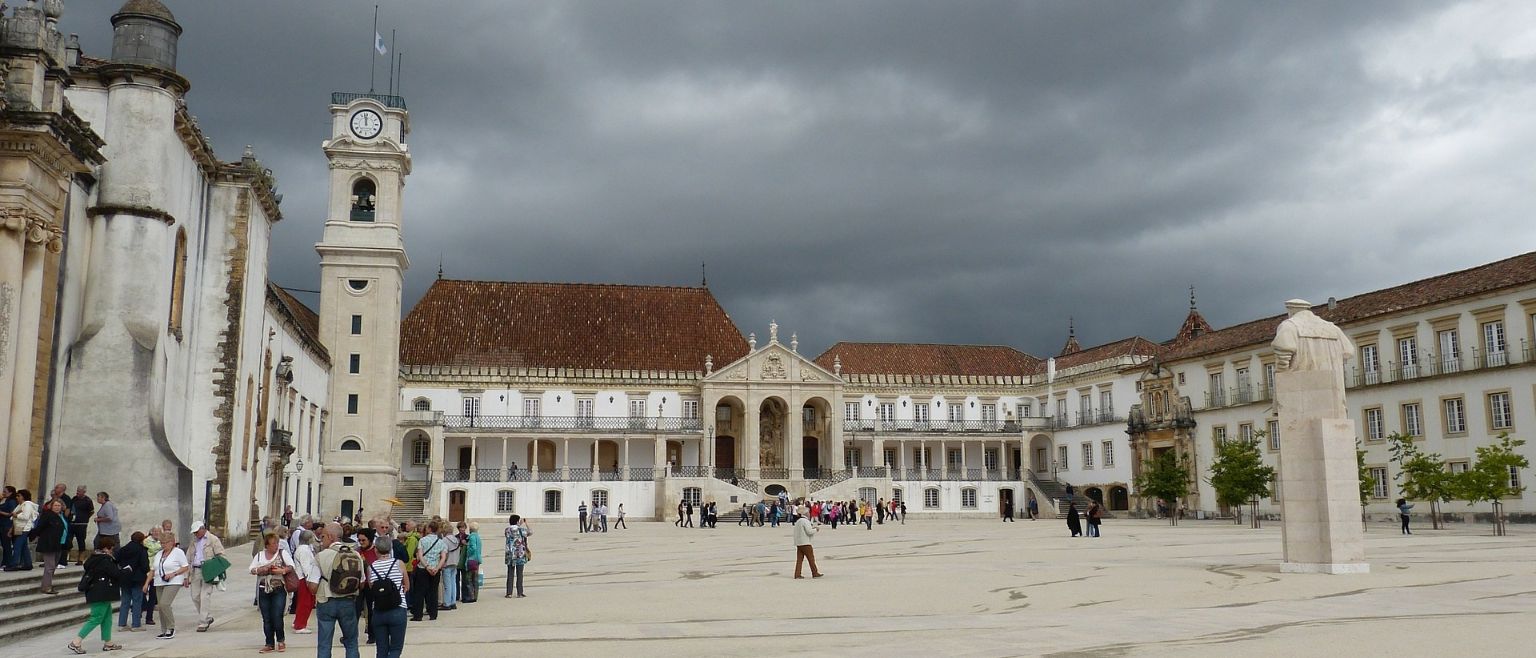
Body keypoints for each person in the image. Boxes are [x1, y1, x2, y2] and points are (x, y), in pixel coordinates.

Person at [309, 522, 361, 658]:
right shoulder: (355, 554)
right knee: (351, 642)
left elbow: (313, 587)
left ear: (331, 537)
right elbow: (362, 583)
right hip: (348, 601)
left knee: (325, 644)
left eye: (323, 536)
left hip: (326, 600)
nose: (321, 540)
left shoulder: (321, 556)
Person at [68, 536, 125, 654]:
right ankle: (76, 642)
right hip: (101, 593)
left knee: (107, 617)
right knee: (96, 618)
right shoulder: (104, 560)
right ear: (105, 548)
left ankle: (108, 642)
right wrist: (126, 571)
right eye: (111, 549)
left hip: (98, 591)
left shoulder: (94, 558)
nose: (112, 551)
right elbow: (115, 573)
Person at [249, 531, 293, 653]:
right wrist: (261, 569)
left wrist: (282, 570)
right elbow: (252, 569)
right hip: (264, 589)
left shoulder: (282, 553)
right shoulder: (259, 555)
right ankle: (269, 643)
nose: (276, 545)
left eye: (277, 543)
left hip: (278, 588)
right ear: (267, 545)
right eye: (273, 543)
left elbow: (291, 566)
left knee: (277, 616)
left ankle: (281, 640)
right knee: (266, 618)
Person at [367, 536, 410, 658]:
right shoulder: (399, 564)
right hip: (397, 607)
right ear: (390, 548)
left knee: (381, 650)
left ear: (376, 550)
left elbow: (371, 587)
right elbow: (407, 585)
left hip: (379, 610)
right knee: (396, 648)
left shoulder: (371, 568)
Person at [146, 533, 189, 639]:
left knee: (165, 603)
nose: (163, 545)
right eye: (161, 543)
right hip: (159, 581)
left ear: (171, 542)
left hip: (173, 580)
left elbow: (185, 566)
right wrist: (146, 583)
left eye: (165, 543)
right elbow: (153, 569)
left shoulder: (178, 552)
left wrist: (173, 574)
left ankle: (171, 627)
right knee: (160, 606)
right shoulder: (159, 554)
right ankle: (164, 630)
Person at [187, 521, 226, 632]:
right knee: (195, 596)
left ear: (202, 529)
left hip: (208, 569)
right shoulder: (193, 541)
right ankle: (207, 617)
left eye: (196, 532)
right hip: (196, 570)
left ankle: (203, 622)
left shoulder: (213, 539)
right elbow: (189, 557)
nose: (195, 534)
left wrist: (214, 568)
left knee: (205, 596)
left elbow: (222, 555)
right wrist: (187, 575)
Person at [409, 521, 445, 621]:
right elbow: (443, 557)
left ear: (429, 529)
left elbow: (420, 555)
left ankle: (418, 615)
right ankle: (433, 614)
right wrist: (437, 568)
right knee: (433, 592)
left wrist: (427, 566)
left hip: (423, 568)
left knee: (419, 592)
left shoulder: (422, 540)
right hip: (435, 569)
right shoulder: (441, 542)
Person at [32, 496, 69, 594]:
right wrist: (34, 536)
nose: (57, 507)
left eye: (59, 505)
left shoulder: (61, 516)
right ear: (51, 506)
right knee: (50, 566)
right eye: (55, 505)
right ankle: (46, 587)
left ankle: (47, 584)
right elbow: (39, 527)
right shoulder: (48, 515)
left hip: (59, 544)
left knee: (54, 565)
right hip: (49, 544)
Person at [116, 531, 150, 633]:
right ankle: (136, 624)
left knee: (125, 601)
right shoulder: (141, 550)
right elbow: (145, 566)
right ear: (141, 540)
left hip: (124, 578)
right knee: (137, 601)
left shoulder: (123, 549)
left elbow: (116, 559)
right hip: (137, 579)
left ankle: (122, 624)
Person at [291, 529, 318, 634]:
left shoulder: (303, 549)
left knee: (303, 601)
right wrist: (309, 581)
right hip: (304, 579)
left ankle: (298, 621)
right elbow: (306, 567)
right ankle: (300, 625)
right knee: (305, 602)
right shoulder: (304, 550)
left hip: (303, 578)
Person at [6, 489, 37, 571]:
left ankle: (14, 564)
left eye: (19, 496)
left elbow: (26, 517)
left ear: (23, 496)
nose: (17, 497)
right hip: (20, 528)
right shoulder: (21, 505)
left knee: (17, 546)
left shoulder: (27, 505)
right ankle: (28, 564)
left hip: (24, 528)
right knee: (24, 547)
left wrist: (16, 515)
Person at [503, 515, 531, 598]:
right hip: (520, 554)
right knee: (519, 574)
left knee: (510, 574)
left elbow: (513, 530)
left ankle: (509, 593)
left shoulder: (507, 530)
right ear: (517, 521)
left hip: (510, 554)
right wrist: (526, 523)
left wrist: (518, 524)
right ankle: (520, 592)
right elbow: (530, 532)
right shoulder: (521, 530)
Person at [792, 507, 823, 579]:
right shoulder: (805, 521)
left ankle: (797, 574)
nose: (809, 514)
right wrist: (815, 529)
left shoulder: (798, 521)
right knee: (811, 558)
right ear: (805, 513)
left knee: (799, 560)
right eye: (808, 512)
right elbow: (809, 532)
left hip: (799, 543)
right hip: (805, 543)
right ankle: (815, 572)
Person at [69, 485, 94, 566]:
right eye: (77, 491)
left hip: (82, 524)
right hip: (72, 523)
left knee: (81, 541)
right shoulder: (74, 499)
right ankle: (66, 557)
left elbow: (91, 511)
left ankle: (80, 559)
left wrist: (85, 518)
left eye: (79, 491)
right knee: (68, 540)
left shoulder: (88, 500)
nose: (77, 492)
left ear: (84, 492)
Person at [438, 523, 461, 611]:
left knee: (447, 584)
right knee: (453, 583)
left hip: (447, 563)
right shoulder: (456, 539)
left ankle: (447, 603)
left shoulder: (444, 540)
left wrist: (442, 562)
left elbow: (445, 552)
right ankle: (453, 602)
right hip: (455, 562)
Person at [0, 486, 16, 569]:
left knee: (7, 545)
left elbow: (12, 513)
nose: (3, 493)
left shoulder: (12, 502)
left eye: (5, 492)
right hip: (2, 525)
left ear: (10, 493)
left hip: (7, 526)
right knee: (4, 544)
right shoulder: (6, 501)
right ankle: (4, 562)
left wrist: (1, 512)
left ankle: (7, 563)